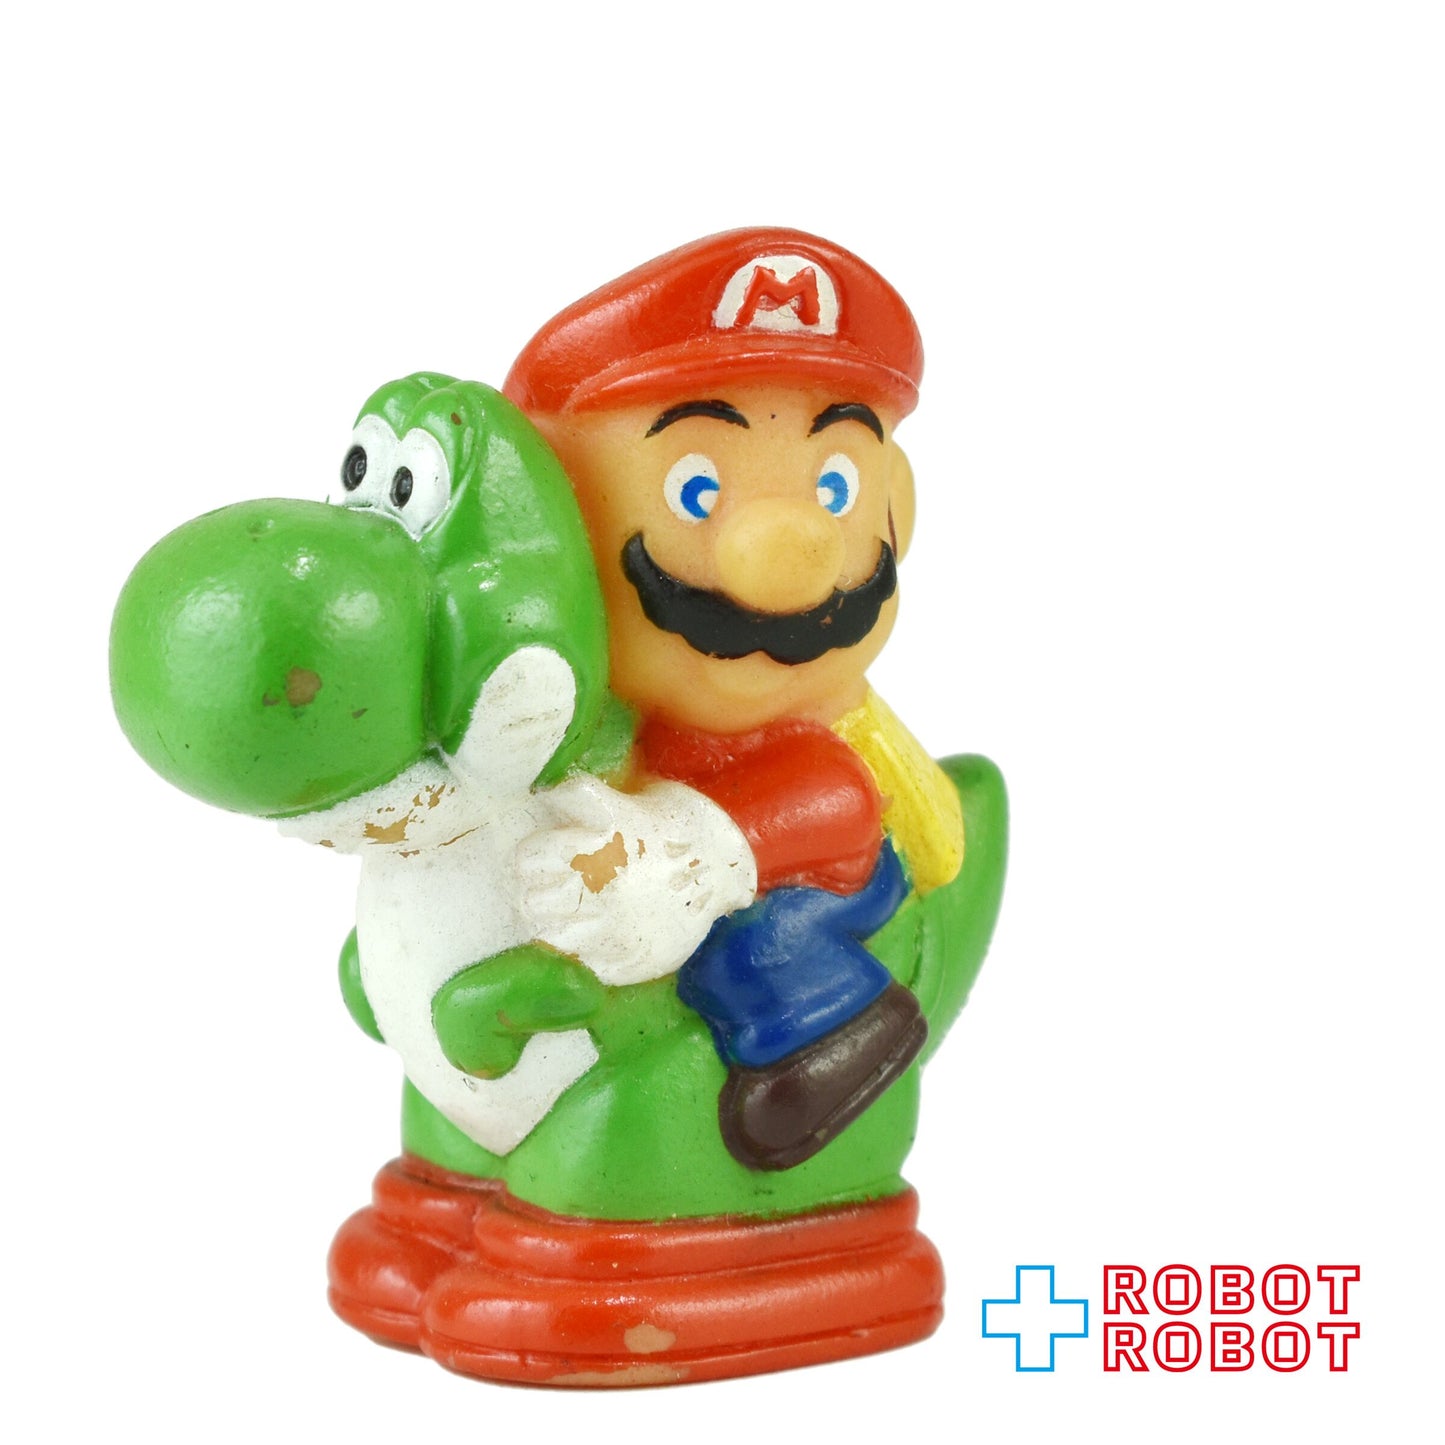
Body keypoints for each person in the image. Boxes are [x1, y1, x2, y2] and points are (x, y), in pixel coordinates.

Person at [506, 228, 965, 1170]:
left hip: (800, 876)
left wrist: (690, 852)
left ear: (897, 506)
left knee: (750, 949)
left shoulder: (813, 752)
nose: (788, 549)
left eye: (835, 486)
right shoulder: (548, 716)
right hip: (628, 864)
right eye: (697, 488)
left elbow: (829, 807)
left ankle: (828, 1043)